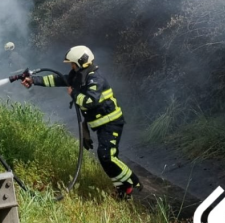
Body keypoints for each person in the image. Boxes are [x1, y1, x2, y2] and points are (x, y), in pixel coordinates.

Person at [21, 45, 141, 199]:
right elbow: (59, 79)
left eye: (72, 64)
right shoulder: (80, 75)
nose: (71, 67)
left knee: (106, 156)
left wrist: (74, 93)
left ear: (81, 62)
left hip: (111, 123)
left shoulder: (95, 78)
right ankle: (123, 191)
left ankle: (132, 182)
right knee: (108, 159)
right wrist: (33, 80)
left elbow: (90, 101)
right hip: (101, 125)